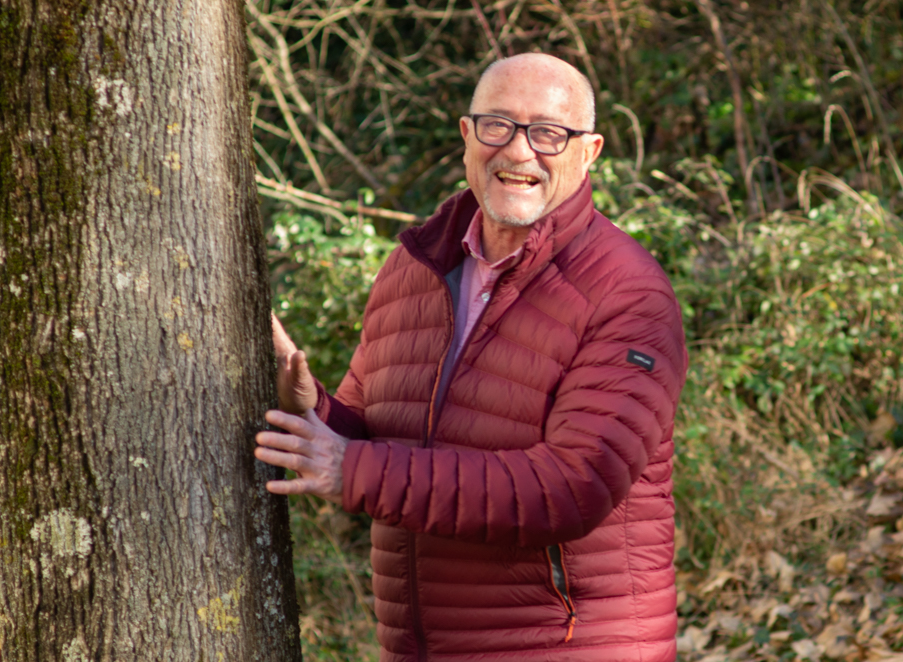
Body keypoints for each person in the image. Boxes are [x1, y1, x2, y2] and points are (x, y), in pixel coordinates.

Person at [255, 53, 688, 661]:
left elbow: (574, 487)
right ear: (467, 135)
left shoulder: (626, 293)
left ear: (588, 153)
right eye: (498, 126)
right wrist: (314, 410)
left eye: (548, 133)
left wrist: (350, 468)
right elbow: (380, 435)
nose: (518, 152)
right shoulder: (415, 268)